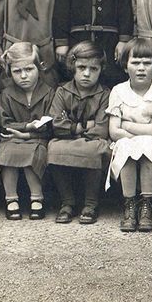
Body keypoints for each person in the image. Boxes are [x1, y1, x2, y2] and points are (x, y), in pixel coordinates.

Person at [105, 38, 152, 233]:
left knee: (147, 146)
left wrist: (126, 124)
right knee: (127, 147)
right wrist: (146, 127)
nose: (141, 68)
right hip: (125, 141)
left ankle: (146, 205)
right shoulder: (118, 91)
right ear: (126, 67)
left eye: (147, 63)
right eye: (135, 62)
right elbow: (114, 131)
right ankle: (130, 205)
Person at [46, 41, 111, 226]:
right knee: (54, 148)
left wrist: (72, 127)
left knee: (95, 149)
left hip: (91, 141)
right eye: (82, 67)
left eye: (93, 69)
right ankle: (67, 202)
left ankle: (91, 204)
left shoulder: (104, 94)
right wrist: (82, 127)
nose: (87, 74)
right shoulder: (62, 91)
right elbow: (56, 123)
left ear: (101, 70)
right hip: (68, 139)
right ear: (72, 66)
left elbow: (101, 127)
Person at [0, 42, 56, 221]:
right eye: (17, 71)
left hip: (38, 138)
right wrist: (26, 127)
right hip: (12, 138)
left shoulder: (49, 93)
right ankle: (11, 198)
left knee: (32, 153)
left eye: (29, 69)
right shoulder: (7, 94)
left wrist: (29, 134)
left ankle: (37, 198)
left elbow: (52, 124)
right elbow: (5, 123)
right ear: (10, 72)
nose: (23, 76)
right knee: (7, 152)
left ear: (39, 67)